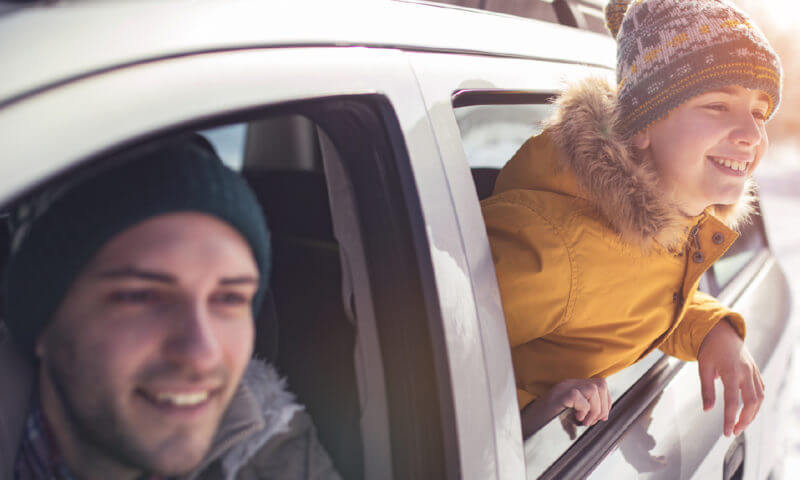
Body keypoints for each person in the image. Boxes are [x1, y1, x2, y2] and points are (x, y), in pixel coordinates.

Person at [481, 0, 782, 437]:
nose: (753, 135)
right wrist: (528, 410)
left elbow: (641, 291)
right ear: (639, 125)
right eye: (717, 105)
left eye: (759, 111)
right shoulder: (551, 250)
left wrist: (712, 330)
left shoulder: (667, 219)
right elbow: (417, 360)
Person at [1, 135, 341, 479]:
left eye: (230, 298)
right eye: (140, 297)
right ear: (42, 318)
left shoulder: (275, 456)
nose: (201, 353)